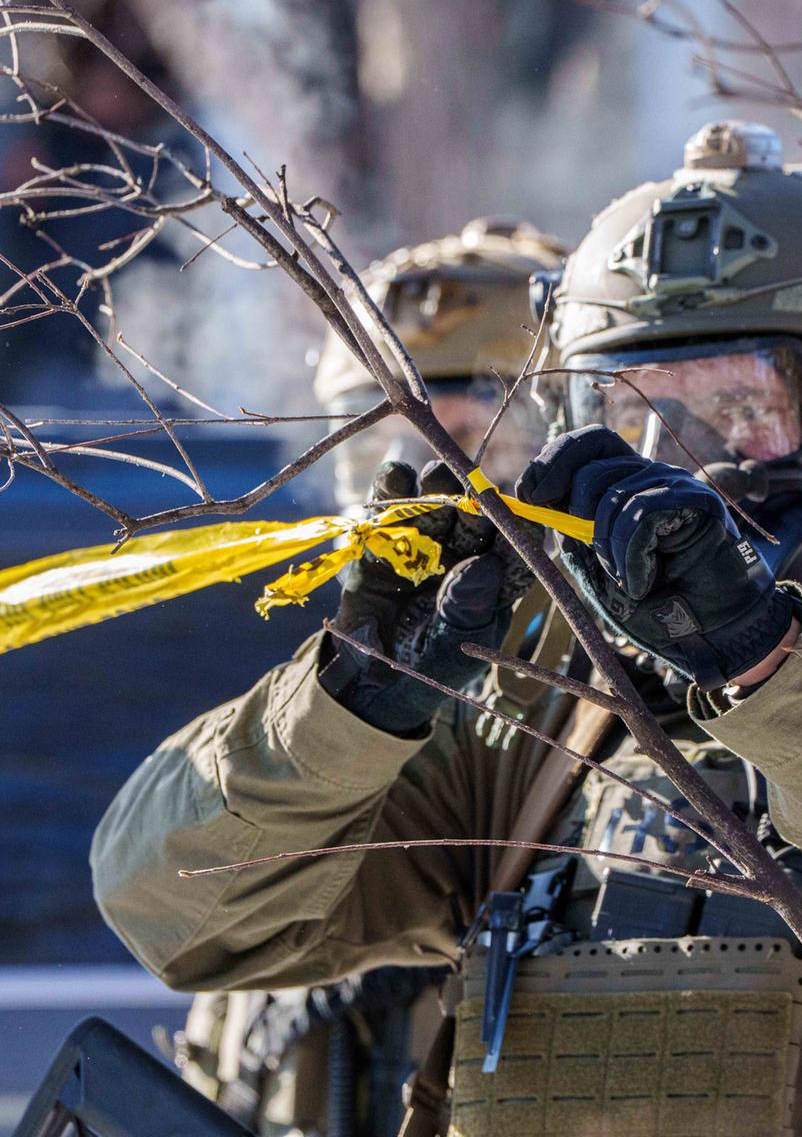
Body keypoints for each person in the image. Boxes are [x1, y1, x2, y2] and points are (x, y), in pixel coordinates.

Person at [92, 123, 802, 1137]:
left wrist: (775, 663)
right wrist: (350, 706)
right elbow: (172, 909)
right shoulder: (536, 737)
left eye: (742, 407)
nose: (681, 465)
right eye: (631, 413)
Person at [138, 216, 567, 1137]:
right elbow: (151, 895)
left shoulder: (603, 752)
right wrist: (352, 708)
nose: (432, 480)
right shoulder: (311, 718)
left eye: (490, 433)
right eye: (379, 446)